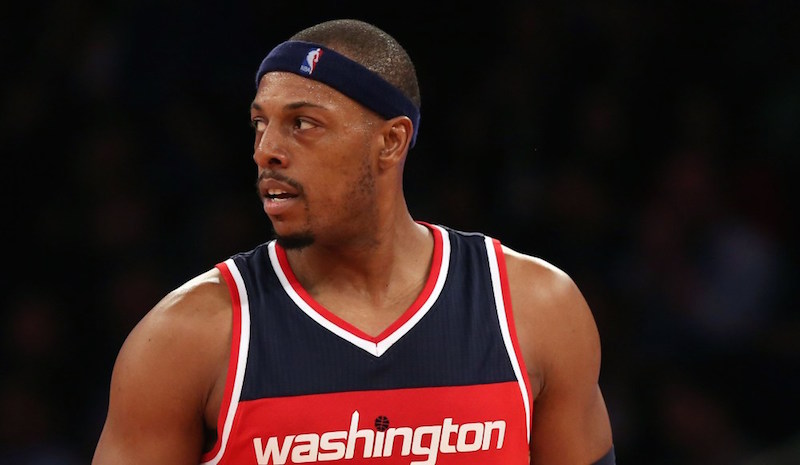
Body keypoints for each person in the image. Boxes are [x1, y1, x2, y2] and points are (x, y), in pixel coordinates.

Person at [92, 18, 615, 465]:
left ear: (391, 141)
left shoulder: (534, 307)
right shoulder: (187, 337)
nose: (265, 150)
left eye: (302, 123)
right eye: (259, 124)